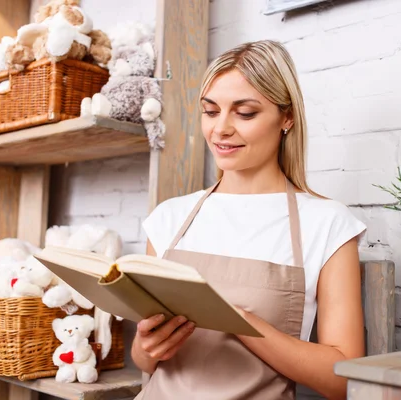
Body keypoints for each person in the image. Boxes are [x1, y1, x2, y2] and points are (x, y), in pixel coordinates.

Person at [132, 40, 366, 400]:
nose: (221, 129)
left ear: (286, 117)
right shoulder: (169, 218)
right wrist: (147, 347)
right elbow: (145, 364)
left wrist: (240, 321)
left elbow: (344, 380)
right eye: (211, 112)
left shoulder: (327, 224)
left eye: (245, 113)